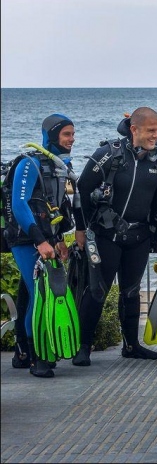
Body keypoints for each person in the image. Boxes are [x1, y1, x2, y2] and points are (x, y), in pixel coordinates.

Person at [74, 107, 157, 366]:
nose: (156, 136)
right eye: (150, 131)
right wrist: (81, 229)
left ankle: (132, 345)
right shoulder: (109, 154)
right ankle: (83, 347)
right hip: (107, 236)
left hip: (139, 236)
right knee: (97, 291)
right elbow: (82, 189)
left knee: (132, 292)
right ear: (134, 129)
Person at [4, 114, 78, 377]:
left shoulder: (56, 167)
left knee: (28, 292)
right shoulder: (29, 164)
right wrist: (40, 240)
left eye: (73, 134)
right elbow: (19, 204)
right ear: (51, 135)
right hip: (25, 239)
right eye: (66, 134)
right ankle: (39, 358)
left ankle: (22, 352)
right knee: (40, 295)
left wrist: (57, 240)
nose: (71, 139)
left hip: (46, 239)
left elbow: (54, 209)